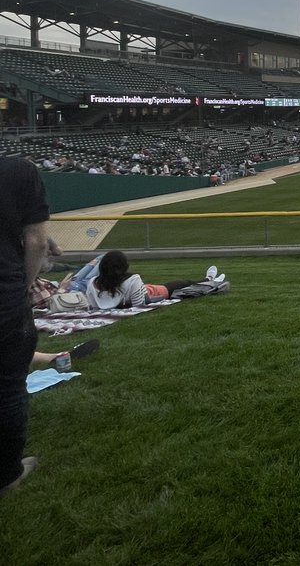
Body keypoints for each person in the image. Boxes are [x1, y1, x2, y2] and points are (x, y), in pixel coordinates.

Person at [1, 156, 49, 496]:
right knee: (8, 387)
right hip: (4, 292)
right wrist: (25, 283)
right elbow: (37, 242)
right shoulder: (19, 170)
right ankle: (7, 476)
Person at [83, 251, 224, 309]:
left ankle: (209, 279)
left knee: (183, 283)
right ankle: (209, 279)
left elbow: (93, 305)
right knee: (183, 284)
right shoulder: (133, 279)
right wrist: (163, 299)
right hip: (151, 292)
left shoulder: (93, 283)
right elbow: (141, 305)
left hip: (140, 291)